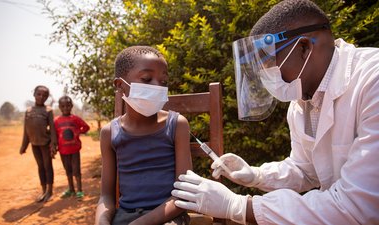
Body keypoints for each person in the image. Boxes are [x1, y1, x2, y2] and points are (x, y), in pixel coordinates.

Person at [171, 0, 379, 224]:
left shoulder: (372, 80)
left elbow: (359, 206)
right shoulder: (303, 101)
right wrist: (256, 175)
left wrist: (239, 206)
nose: (265, 76)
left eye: (269, 64)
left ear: (304, 48)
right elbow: (305, 170)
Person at [95, 46, 193, 225]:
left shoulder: (176, 125)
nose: (157, 87)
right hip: (124, 217)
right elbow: (106, 196)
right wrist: (102, 222)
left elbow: (184, 196)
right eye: (147, 79)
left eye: (163, 81)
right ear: (120, 85)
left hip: (168, 217)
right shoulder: (110, 133)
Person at [19, 85, 58, 202]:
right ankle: (44, 190)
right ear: (34, 94)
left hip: (46, 144)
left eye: (45, 95)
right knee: (40, 167)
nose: (41, 97)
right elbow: (26, 130)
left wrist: (53, 145)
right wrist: (23, 146)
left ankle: (50, 192)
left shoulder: (48, 111)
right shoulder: (28, 111)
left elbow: (52, 129)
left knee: (47, 166)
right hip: (34, 144)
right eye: (39, 94)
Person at [54, 95, 90, 199]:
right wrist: (54, 146)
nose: (66, 108)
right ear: (59, 107)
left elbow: (86, 127)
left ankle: (79, 190)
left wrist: (78, 132)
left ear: (71, 106)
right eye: (63, 106)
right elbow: (54, 135)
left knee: (76, 170)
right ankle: (71, 189)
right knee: (68, 170)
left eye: (68, 106)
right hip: (63, 151)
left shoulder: (75, 119)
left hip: (74, 150)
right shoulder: (56, 121)